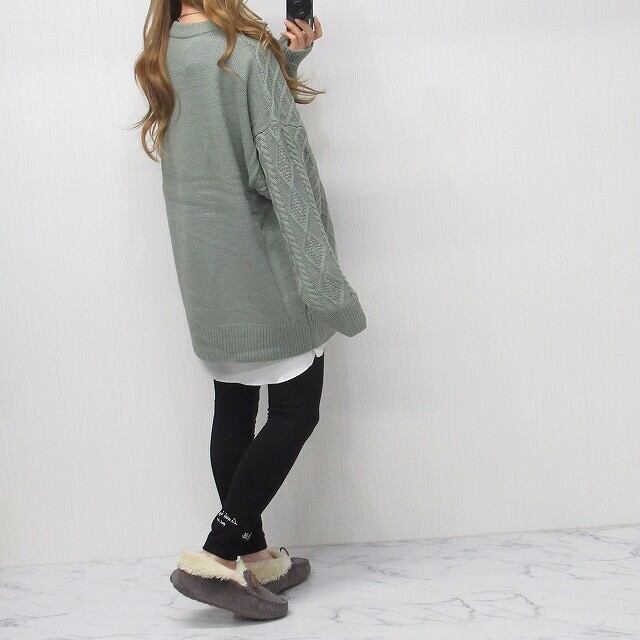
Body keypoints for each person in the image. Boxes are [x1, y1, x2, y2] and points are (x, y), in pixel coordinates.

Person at [133, 0, 367, 620]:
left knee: (234, 403)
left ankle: (256, 557)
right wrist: (323, 276)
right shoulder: (245, 52)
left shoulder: (164, 53)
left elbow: (226, 117)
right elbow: (280, 174)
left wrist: (288, 57)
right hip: (263, 268)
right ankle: (215, 554)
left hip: (207, 270)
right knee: (296, 409)